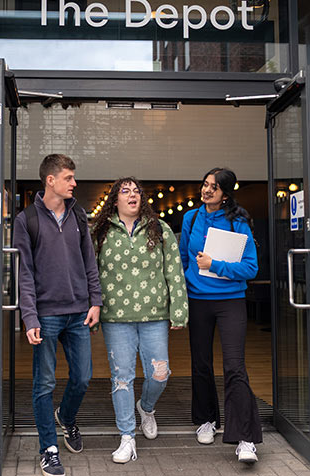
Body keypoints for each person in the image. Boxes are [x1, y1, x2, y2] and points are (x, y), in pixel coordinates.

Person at [13, 154, 102, 476]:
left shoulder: (78, 215)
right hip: (47, 314)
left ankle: (66, 417)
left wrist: (95, 301)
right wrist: (30, 317)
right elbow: (24, 273)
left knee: (82, 377)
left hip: (79, 311)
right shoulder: (27, 220)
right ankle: (48, 448)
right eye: (68, 177)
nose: (74, 183)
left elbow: (89, 261)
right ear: (50, 180)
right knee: (44, 383)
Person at [91, 177, 188, 464]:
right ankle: (127, 437)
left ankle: (146, 407)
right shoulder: (101, 230)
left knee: (161, 373)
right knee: (122, 379)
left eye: (137, 191)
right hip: (116, 318)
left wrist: (179, 309)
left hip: (155, 316)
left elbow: (174, 270)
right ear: (115, 199)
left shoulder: (160, 228)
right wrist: (92, 308)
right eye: (125, 191)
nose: (132, 195)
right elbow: (91, 274)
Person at [179, 167, 261, 464]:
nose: (206, 190)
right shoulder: (191, 218)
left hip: (230, 302)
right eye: (204, 184)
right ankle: (206, 421)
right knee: (201, 363)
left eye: (213, 187)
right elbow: (182, 260)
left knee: (234, 366)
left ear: (225, 194)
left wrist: (215, 265)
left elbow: (251, 268)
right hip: (198, 300)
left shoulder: (238, 222)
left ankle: (246, 438)